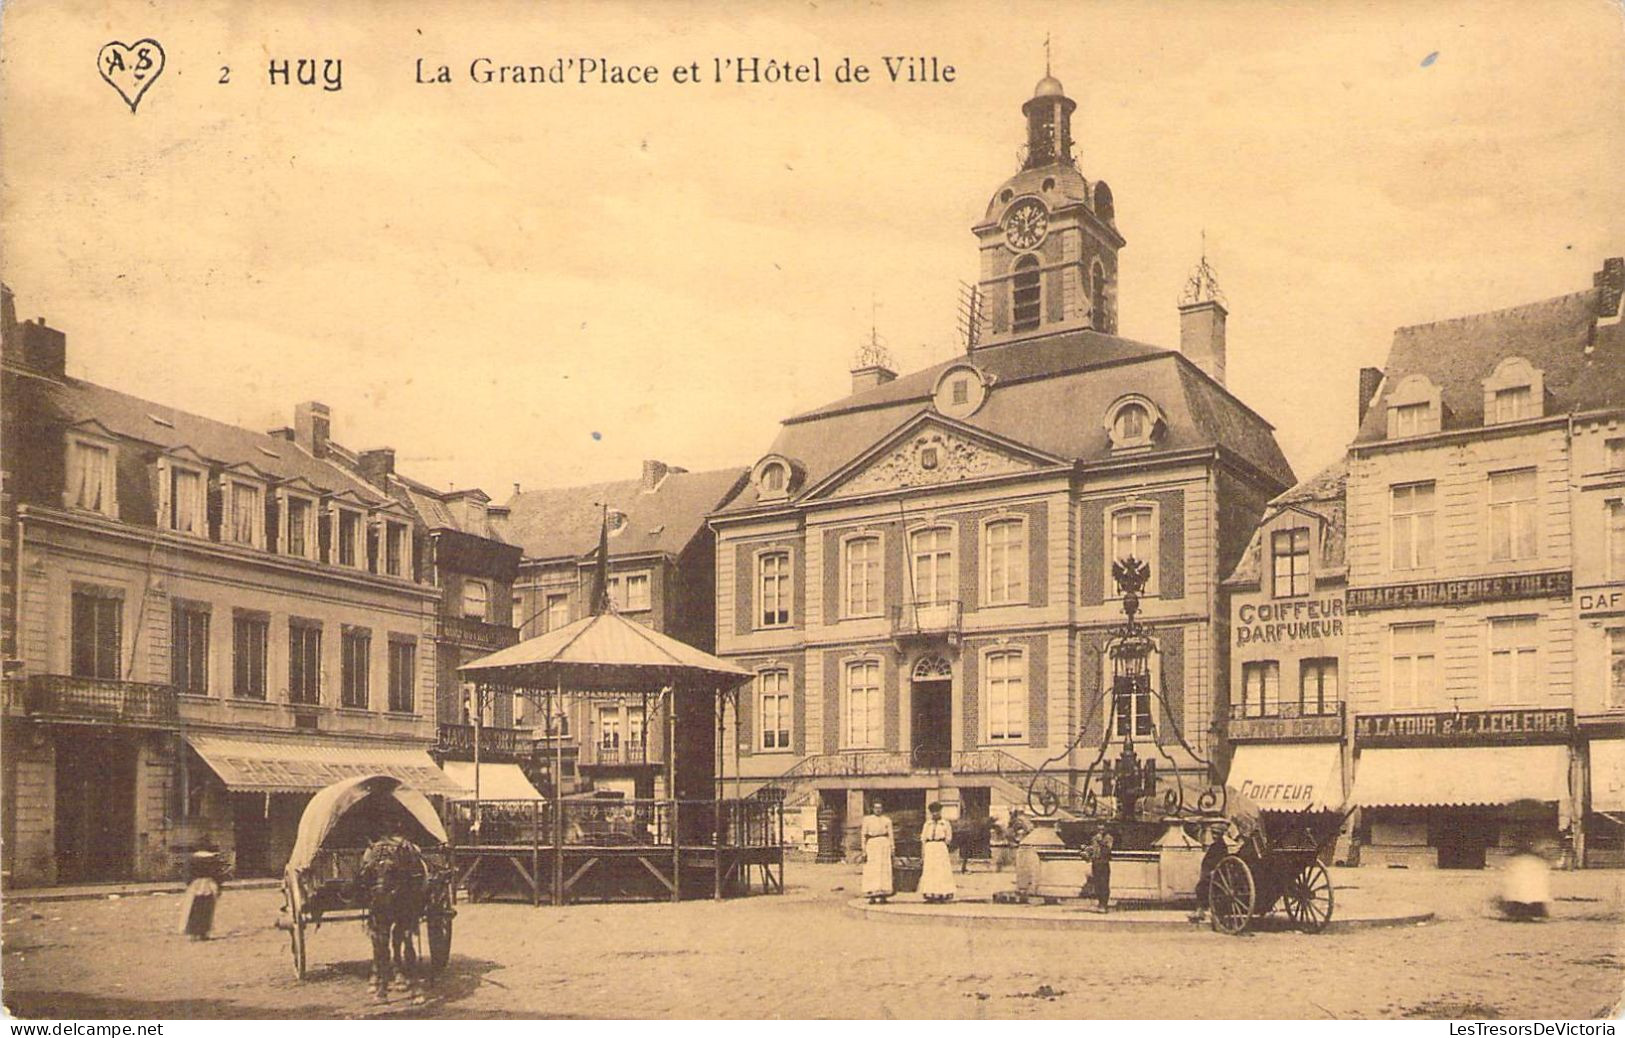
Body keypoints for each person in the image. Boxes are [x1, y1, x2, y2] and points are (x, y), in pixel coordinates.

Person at [358, 818, 427, 999]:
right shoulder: (374, 847)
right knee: (380, 935)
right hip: (380, 845)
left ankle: (402, 972)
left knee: (403, 935)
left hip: (399, 849)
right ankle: (380, 974)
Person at [176, 841, 224, 940]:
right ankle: (204, 932)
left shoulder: (192, 859)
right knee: (207, 908)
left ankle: (193, 932)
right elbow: (218, 874)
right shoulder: (213, 859)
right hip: (209, 884)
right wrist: (218, 886)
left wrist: (189, 883)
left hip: (196, 884)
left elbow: (187, 874)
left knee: (193, 908)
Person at [1191, 823, 1233, 924]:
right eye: (1213, 833)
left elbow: (1221, 861)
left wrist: (1213, 871)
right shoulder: (1217, 845)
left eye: (1217, 834)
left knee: (1201, 887)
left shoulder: (1220, 846)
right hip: (1212, 872)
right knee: (1201, 886)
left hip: (1215, 873)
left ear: (1221, 834)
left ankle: (1201, 911)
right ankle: (1201, 910)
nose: (1214, 836)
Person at [919, 802, 956, 903]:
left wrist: (942, 846)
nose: (935, 814)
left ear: (940, 812)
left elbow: (949, 838)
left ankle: (941, 894)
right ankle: (930, 894)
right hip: (930, 847)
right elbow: (923, 838)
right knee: (930, 870)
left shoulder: (945, 823)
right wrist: (923, 853)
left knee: (940, 870)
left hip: (940, 847)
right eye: (933, 812)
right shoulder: (927, 824)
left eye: (937, 811)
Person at [860, 800, 895, 903]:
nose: (878, 810)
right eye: (876, 808)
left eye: (880, 808)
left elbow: (891, 835)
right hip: (872, 844)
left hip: (884, 845)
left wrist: (892, 848)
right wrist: (864, 850)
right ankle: (872, 894)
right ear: (873, 809)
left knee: (884, 869)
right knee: (872, 869)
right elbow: (863, 835)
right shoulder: (867, 820)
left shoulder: (887, 820)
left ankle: (883, 894)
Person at [1085, 826, 1114, 912]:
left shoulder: (1108, 838)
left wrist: (1100, 841)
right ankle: (1100, 902)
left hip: (1104, 862)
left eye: (1102, 829)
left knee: (1104, 883)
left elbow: (1108, 849)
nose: (1100, 831)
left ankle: (1104, 904)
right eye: (1099, 829)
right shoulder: (1094, 838)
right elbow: (1092, 849)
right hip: (1096, 862)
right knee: (1097, 883)